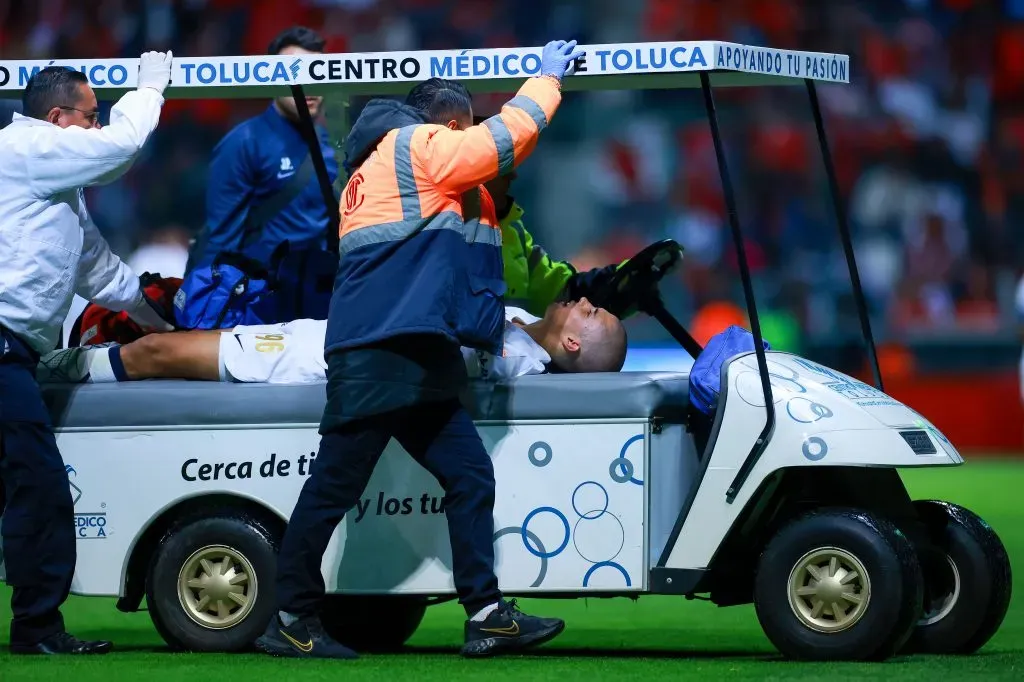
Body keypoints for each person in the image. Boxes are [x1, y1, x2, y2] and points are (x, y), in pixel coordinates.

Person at [252, 39, 586, 660]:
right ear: (451, 126)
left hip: (409, 348)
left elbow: (475, 235)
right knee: (332, 486)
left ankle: (485, 614)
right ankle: (292, 618)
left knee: (466, 473)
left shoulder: (383, 168)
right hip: (384, 348)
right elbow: (497, 146)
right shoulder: (415, 146)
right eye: (466, 129)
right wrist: (546, 82)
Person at [0, 54, 175, 655]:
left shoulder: (52, 184)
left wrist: (162, 323)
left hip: (13, 351)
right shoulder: (26, 151)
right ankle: (37, 629)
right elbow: (121, 148)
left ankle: (36, 626)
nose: (99, 127)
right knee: (40, 485)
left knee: (31, 485)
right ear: (55, 118)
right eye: (92, 115)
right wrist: (149, 88)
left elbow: (99, 271)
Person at [37, 297, 626, 385]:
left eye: (590, 311)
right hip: (324, 335)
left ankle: (61, 373)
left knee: (157, 353)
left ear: (572, 346)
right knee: (170, 344)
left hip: (318, 360)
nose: (580, 299)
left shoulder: (516, 361)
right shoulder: (520, 318)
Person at [184, 26, 338, 285]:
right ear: (273, 78)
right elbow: (220, 239)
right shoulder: (244, 143)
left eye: (315, 73)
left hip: (320, 295)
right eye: (294, 72)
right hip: (260, 299)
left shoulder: (335, 145)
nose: (308, 85)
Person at [474, 115, 626, 317]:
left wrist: (623, 281)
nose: (513, 176)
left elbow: (559, 291)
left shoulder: (511, 230)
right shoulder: (441, 234)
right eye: (502, 167)